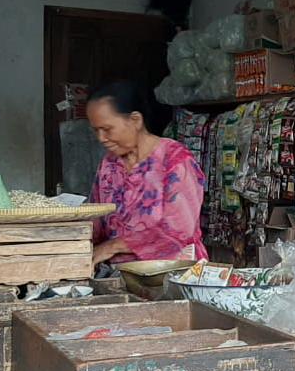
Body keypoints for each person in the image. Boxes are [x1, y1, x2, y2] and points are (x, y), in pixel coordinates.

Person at [87, 80, 208, 265]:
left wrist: (114, 246)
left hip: (170, 274)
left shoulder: (175, 160)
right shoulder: (109, 164)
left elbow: (178, 231)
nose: (101, 138)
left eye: (107, 129)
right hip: (119, 275)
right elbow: (94, 219)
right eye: (96, 131)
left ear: (135, 120)